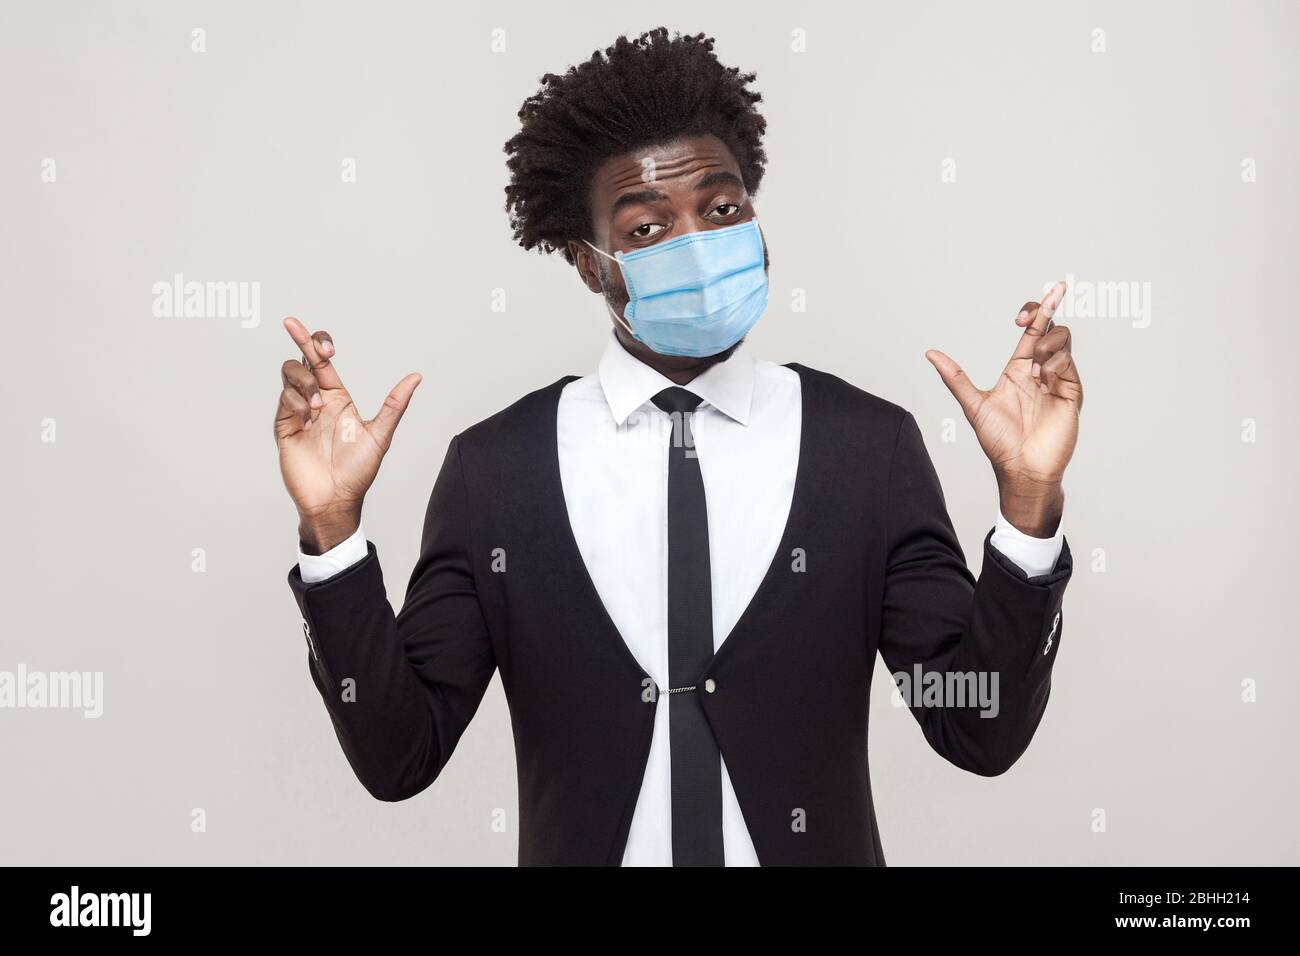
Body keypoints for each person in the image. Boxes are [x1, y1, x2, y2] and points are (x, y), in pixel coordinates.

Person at [273, 28, 1081, 866]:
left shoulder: (866, 449)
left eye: (722, 209)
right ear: (590, 266)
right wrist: (333, 531)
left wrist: (1027, 507)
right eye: (649, 227)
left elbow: (978, 729)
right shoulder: (496, 471)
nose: (697, 242)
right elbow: (398, 755)